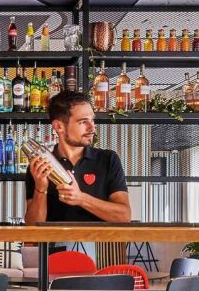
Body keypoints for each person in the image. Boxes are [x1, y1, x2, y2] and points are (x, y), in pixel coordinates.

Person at [24, 90, 131, 225]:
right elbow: (32, 227)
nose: (92, 127)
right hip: (55, 240)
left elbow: (124, 216)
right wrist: (41, 188)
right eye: (83, 121)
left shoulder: (108, 159)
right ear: (59, 126)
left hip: (97, 240)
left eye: (92, 120)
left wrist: (80, 198)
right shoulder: (41, 167)